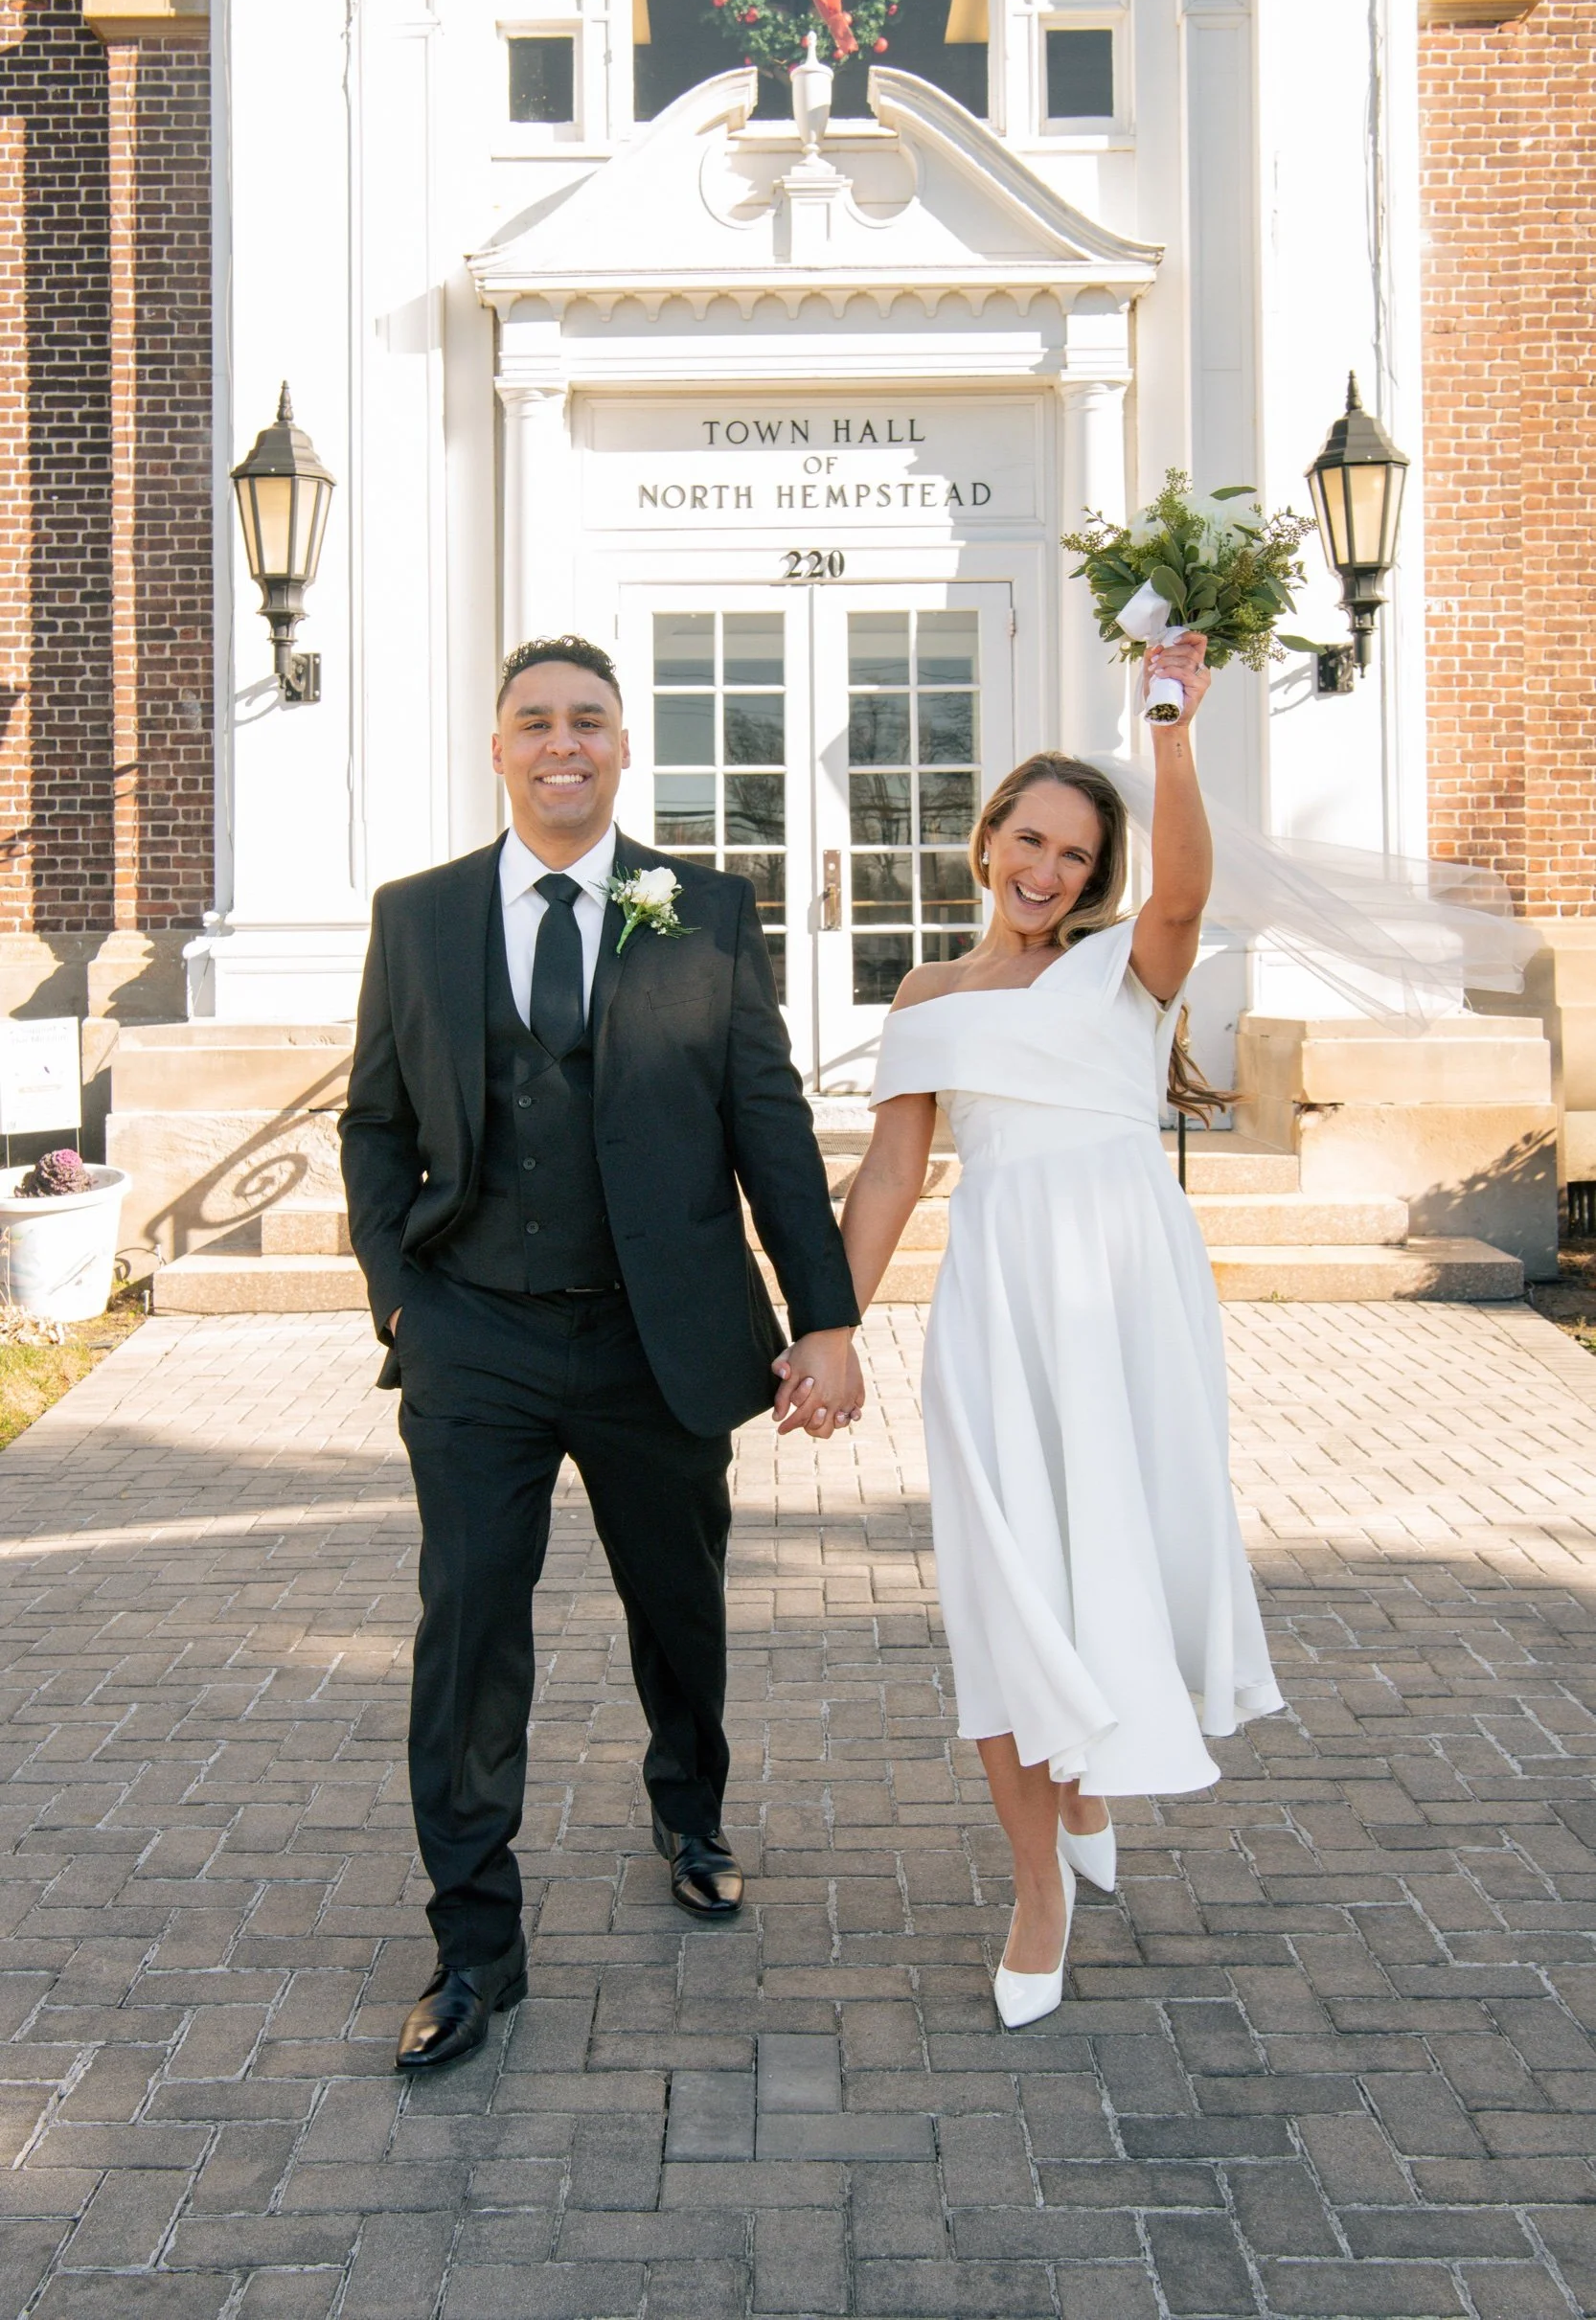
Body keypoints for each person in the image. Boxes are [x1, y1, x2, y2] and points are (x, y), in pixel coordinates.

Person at [340, 632, 865, 2072]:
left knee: (675, 1605)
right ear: (497, 747)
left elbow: (766, 1119)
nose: (560, 743)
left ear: (623, 747)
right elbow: (375, 1121)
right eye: (532, 722)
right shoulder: (420, 913)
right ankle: (473, 1947)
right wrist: (399, 1294)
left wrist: (822, 1314)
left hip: (660, 1340)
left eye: (586, 722)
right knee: (467, 1636)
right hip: (476, 1337)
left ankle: (688, 1806)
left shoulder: (699, 907)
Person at [837, 633, 1282, 2029]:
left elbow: (1189, 885)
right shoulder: (922, 995)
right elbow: (894, 1175)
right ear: (987, 844)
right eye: (1029, 840)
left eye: (1076, 857)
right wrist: (827, 1332)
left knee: (1114, 1547)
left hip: (1124, 1292)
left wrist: (1168, 725)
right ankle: (1037, 1882)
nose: (1047, 871)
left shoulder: (1126, 977)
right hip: (994, 1304)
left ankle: (1086, 1776)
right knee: (996, 1578)